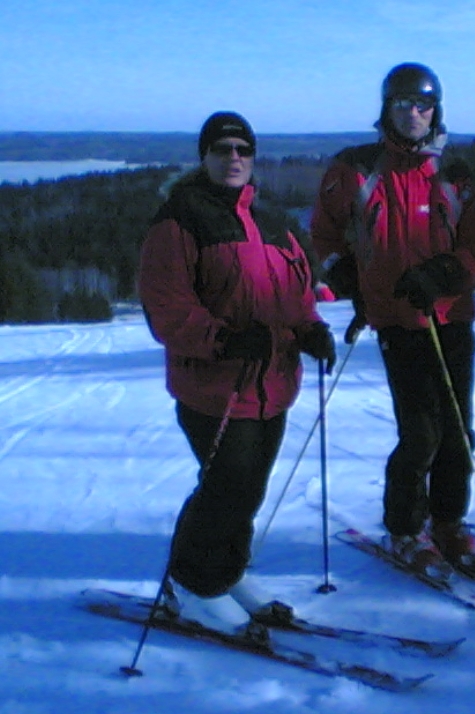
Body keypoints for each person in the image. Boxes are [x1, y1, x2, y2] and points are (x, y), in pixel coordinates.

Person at [138, 111, 337, 633]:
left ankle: (226, 571)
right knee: (226, 487)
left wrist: (311, 330)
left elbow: (298, 295)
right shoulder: (181, 220)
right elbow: (167, 308)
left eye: (242, 150)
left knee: (248, 489)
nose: (233, 158)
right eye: (222, 149)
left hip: (272, 383)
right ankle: (193, 584)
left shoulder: (272, 221)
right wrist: (223, 339)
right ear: (204, 156)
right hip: (214, 386)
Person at [311, 63, 475, 578]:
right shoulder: (358, 169)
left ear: (436, 111)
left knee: (457, 429)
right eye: (403, 104)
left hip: (451, 315)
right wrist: (346, 274)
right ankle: (406, 527)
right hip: (396, 317)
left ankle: (448, 521)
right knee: (420, 432)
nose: (414, 114)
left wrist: (445, 273)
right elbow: (324, 233)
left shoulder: (454, 172)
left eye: (423, 105)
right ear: (387, 108)